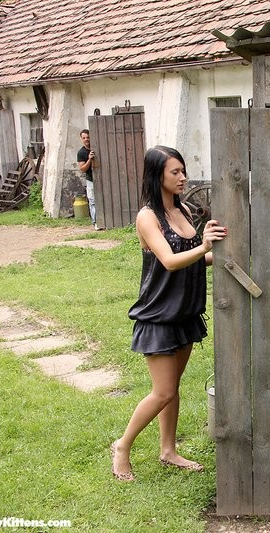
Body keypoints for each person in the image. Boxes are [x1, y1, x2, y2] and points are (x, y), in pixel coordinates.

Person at [111, 145, 227, 481]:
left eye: (183, 171)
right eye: (174, 172)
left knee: (173, 389)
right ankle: (122, 446)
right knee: (162, 391)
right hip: (159, 315)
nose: (182, 177)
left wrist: (220, 255)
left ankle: (168, 450)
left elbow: (193, 258)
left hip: (185, 313)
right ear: (157, 174)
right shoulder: (147, 217)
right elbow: (170, 260)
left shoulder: (185, 211)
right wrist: (204, 247)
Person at [76, 129, 100, 230]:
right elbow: (82, 169)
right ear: (81, 139)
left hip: (101, 179)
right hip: (91, 180)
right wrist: (90, 159)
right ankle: (95, 222)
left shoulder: (97, 147)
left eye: (88, 137)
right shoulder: (81, 153)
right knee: (93, 201)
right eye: (84, 138)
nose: (86, 140)